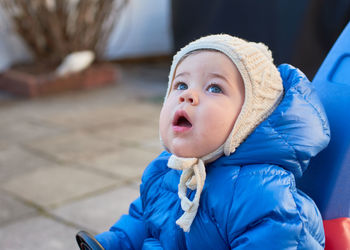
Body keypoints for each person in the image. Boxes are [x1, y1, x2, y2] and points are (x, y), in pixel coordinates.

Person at [89, 34, 330, 249]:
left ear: (251, 117)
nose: (187, 95)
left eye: (214, 88)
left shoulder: (264, 195)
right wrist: (114, 242)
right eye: (181, 84)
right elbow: (144, 217)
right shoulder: (167, 168)